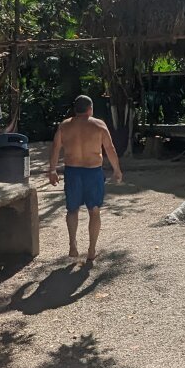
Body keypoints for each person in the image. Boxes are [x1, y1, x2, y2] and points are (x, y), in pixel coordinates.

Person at [48, 95, 123, 264]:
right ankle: (91, 249)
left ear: (75, 109)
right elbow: (110, 149)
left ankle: (72, 245)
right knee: (94, 210)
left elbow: (55, 148)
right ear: (90, 109)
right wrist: (117, 170)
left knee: (72, 210)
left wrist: (52, 170)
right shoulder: (99, 125)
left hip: (72, 172)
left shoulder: (64, 126)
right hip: (93, 172)